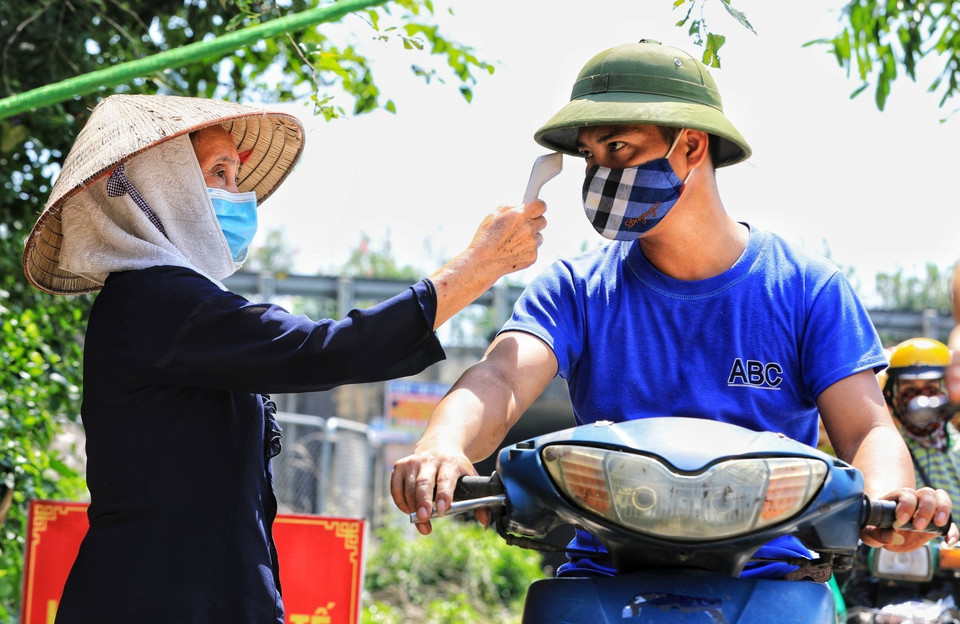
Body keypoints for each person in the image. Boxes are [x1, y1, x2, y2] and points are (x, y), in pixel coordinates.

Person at [391, 39, 957, 581]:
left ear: (691, 146)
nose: (598, 175)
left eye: (618, 148)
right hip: (602, 571)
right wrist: (443, 444)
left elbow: (865, 430)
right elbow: (499, 378)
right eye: (589, 155)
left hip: (773, 575)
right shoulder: (576, 288)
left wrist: (890, 503)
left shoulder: (807, 289)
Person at [21, 93, 546, 623]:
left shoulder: (160, 304)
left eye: (235, 173)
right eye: (217, 172)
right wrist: (477, 268)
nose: (236, 193)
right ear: (154, 188)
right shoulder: (156, 300)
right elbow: (327, 350)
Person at [883, 338, 960, 503]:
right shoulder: (884, 455)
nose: (921, 400)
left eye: (931, 388)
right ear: (892, 395)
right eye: (909, 389)